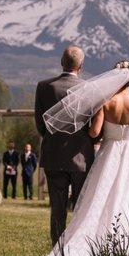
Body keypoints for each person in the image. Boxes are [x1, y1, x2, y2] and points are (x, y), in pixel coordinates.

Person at [38, 59, 129, 256]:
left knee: (100, 200)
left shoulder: (106, 103)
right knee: (127, 201)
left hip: (109, 153)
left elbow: (93, 132)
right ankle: (125, 253)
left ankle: (90, 246)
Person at [34, 46, 97, 245]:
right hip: (81, 157)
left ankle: (57, 253)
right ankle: (77, 251)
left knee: (57, 209)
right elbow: (94, 126)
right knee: (80, 208)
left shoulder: (44, 87)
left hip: (54, 155)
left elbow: (40, 124)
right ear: (81, 66)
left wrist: (53, 140)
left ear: (62, 62)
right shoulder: (89, 88)